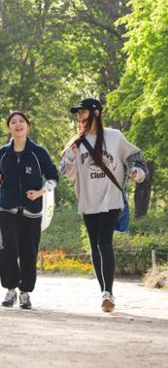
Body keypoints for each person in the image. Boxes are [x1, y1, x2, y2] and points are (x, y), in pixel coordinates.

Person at [60, 98, 147, 312]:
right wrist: (69, 157)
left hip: (111, 200)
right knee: (94, 246)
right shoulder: (77, 143)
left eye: (83, 111)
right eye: (77, 113)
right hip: (88, 201)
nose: (79, 116)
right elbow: (66, 174)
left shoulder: (114, 136)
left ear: (96, 113)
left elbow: (135, 156)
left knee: (104, 242)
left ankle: (108, 292)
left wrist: (137, 172)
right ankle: (104, 292)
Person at [0, 111, 59, 309]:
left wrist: (40, 192)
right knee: (9, 248)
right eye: (13, 122)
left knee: (29, 251)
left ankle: (25, 292)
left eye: (21, 121)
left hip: (32, 210)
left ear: (28, 126)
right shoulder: (2, 152)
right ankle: (10, 290)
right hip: (6, 208)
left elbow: (53, 178)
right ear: (9, 127)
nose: (18, 125)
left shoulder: (39, 152)